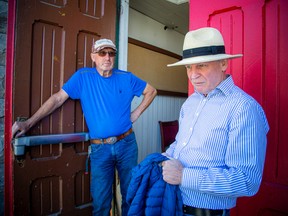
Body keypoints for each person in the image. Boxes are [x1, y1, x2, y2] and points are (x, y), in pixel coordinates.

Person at [12, 38, 157, 216]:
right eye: (102, 53)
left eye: (111, 53)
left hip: (126, 144)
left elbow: (151, 91)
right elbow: (57, 99)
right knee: (101, 202)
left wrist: (136, 113)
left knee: (131, 195)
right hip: (100, 149)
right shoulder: (83, 77)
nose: (107, 57)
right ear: (93, 57)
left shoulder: (126, 78)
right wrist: (28, 123)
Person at [161, 27, 269, 216]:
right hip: (172, 203)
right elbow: (181, 143)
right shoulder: (190, 103)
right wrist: (165, 157)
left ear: (223, 63)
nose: (193, 75)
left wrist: (184, 176)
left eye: (201, 65)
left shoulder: (243, 108)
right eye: (188, 67)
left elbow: (247, 180)